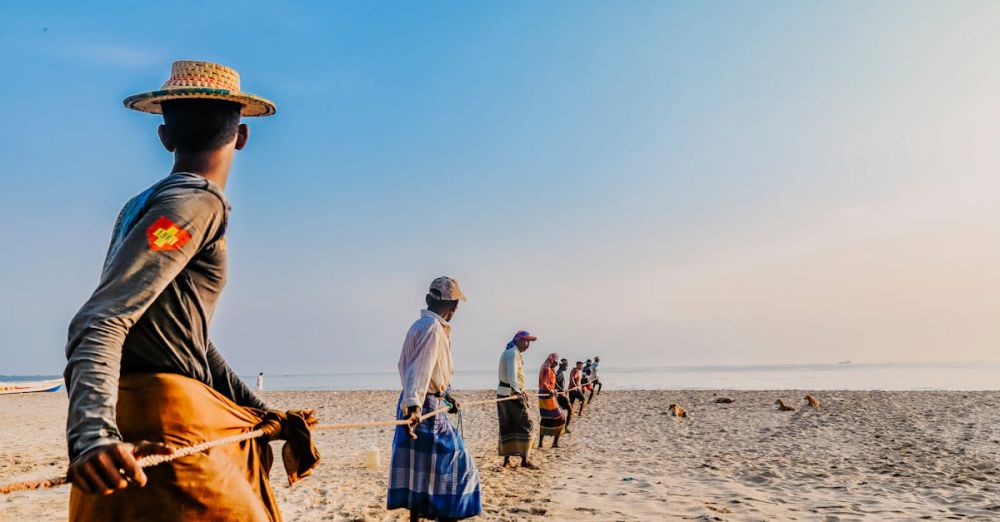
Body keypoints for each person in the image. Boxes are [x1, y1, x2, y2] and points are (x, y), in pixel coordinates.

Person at [63, 61, 317, 521]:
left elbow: (187, 337)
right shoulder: (193, 204)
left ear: (165, 137)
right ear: (241, 136)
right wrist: (92, 436)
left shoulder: (142, 205)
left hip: (134, 425)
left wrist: (262, 414)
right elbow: (101, 318)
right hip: (162, 432)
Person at [388, 277, 481, 521]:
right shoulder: (433, 329)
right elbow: (419, 370)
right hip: (422, 406)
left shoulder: (419, 325)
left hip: (421, 401)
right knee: (460, 465)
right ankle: (446, 515)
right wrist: (414, 406)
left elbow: (409, 368)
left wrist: (446, 395)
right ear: (453, 306)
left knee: (419, 469)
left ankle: (416, 518)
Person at [496, 330, 538, 469]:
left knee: (510, 425)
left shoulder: (514, 353)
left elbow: (516, 376)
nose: (528, 344)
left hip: (509, 393)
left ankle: (514, 459)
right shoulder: (512, 353)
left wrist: (522, 389)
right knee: (525, 424)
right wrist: (518, 391)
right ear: (518, 340)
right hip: (509, 394)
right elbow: (512, 374)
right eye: (525, 341)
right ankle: (524, 460)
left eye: (529, 342)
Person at [537, 353, 566, 448]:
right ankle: (554, 443)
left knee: (545, 418)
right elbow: (545, 383)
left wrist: (557, 390)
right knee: (560, 418)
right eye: (555, 363)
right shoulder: (546, 368)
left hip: (544, 395)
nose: (556, 365)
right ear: (552, 360)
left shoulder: (546, 367)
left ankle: (541, 443)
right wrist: (552, 391)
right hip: (547, 396)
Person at [554, 358, 574, 433]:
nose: (567, 367)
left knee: (561, 411)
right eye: (566, 365)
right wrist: (562, 390)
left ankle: (563, 427)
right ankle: (565, 428)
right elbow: (555, 383)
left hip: (559, 394)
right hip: (560, 395)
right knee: (569, 409)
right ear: (563, 365)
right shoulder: (559, 373)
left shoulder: (559, 372)